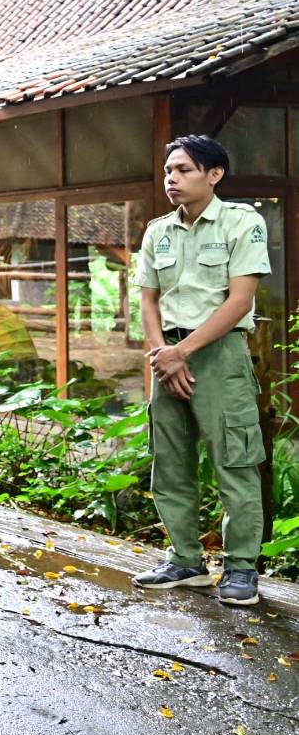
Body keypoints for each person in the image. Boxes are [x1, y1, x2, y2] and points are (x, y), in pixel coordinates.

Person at [131, 135, 270, 606]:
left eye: (184, 169)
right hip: (166, 355)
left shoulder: (241, 223)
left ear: (214, 174)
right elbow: (147, 299)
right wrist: (162, 355)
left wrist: (182, 353)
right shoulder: (157, 232)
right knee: (169, 462)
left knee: (234, 459)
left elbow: (240, 300)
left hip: (218, 353)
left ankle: (242, 568)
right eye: (169, 170)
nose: (172, 178)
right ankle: (185, 559)